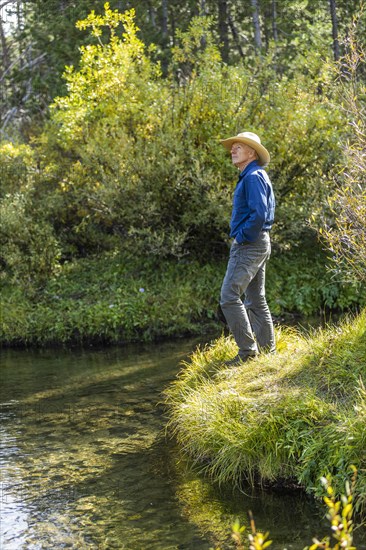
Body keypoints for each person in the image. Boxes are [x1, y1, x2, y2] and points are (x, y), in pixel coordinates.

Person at [219, 131, 275, 365]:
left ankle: (248, 353)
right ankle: (267, 352)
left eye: (239, 146)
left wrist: (242, 238)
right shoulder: (253, 175)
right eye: (233, 147)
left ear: (252, 152)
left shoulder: (252, 177)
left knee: (229, 297)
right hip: (259, 242)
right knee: (255, 298)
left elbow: (259, 214)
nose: (233, 149)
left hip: (250, 244)